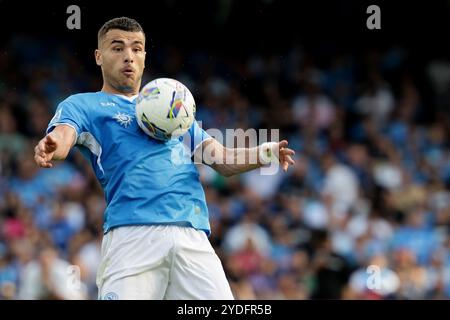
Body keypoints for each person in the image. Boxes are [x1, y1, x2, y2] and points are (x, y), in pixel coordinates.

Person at [33, 17, 295, 300]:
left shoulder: (174, 108)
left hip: (192, 236)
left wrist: (265, 152)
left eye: (137, 48)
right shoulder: (84, 105)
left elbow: (222, 160)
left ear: (145, 56)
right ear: (99, 56)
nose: (128, 57)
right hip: (132, 236)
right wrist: (53, 145)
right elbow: (64, 134)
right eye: (117, 48)